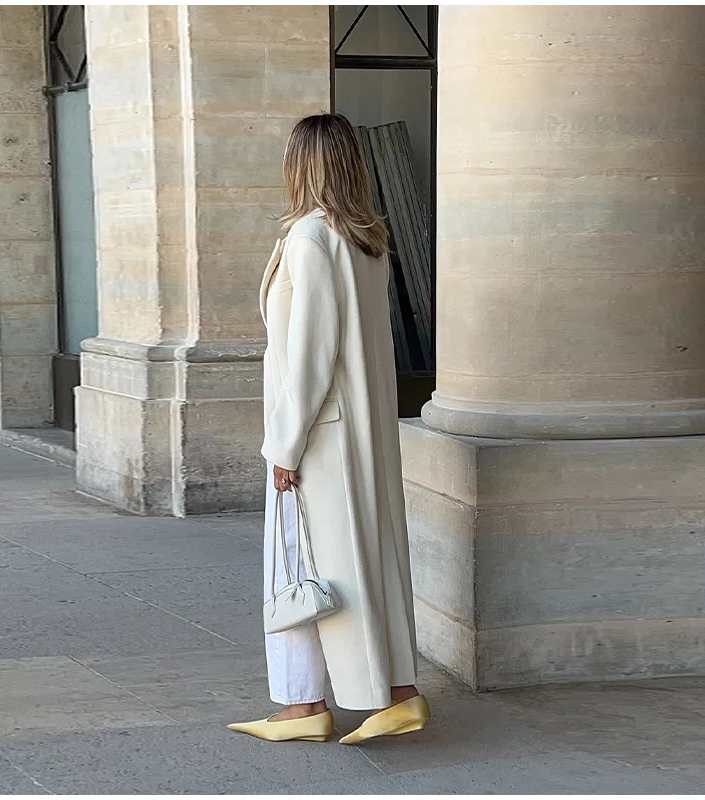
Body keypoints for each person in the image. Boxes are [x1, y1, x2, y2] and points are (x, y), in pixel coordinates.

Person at [228, 113, 430, 745]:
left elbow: (312, 354)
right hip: (361, 428)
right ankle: (385, 695)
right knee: (364, 559)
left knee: (308, 567)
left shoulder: (311, 237)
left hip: (323, 434)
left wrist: (285, 446)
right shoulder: (366, 238)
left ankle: (317, 706)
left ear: (301, 165)